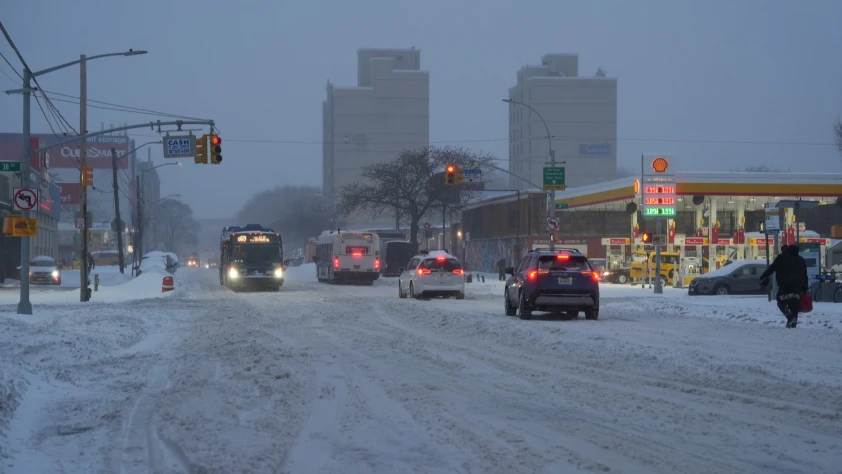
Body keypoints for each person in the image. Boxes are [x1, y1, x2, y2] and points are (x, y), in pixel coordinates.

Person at [759, 245, 809, 328]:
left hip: (785, 285)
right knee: (794, 302)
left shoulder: (781, 257)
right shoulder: (801, 259)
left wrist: (763, 277)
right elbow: (805, 274)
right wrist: (805, 287)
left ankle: (789, 316)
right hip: (798, 286)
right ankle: (793, 322)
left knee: (780, 301)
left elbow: (772, 268)